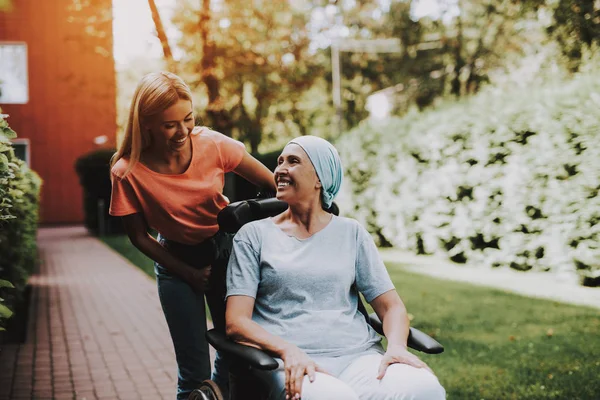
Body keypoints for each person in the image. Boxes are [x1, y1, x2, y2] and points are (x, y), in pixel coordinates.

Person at [225, 136, 446, 400]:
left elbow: (391, 306)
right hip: (292, 361)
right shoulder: (253, 235)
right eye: (279, 161)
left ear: (320, 178)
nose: (280, 169)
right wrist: (287, 350)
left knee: (425, 389)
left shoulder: (351, 232)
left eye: (293, 161)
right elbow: (236, 322)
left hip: (359, 357)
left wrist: (396, 347)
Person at [109, 71, 276, 400]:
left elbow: (272, 185)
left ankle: (217, 394)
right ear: (146, 124)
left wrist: (251, 225)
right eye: (170, 124)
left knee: (236, 353)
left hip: (225, 253)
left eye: (188, 119)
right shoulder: (127, 171)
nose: (182, 131)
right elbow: (139, 237)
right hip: (174, 263)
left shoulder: (212, 144)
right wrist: (187, 273)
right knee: (193, 370)